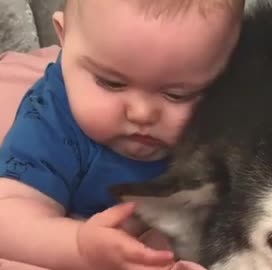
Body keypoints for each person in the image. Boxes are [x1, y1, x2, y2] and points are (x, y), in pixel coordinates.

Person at [0, 0, 245, 269]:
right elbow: (8, 217)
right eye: (111, 82)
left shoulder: (225, 116)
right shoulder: (51, 119)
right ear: (64, 36)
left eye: (178, 94)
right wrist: (78, 246)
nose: (141, 113)